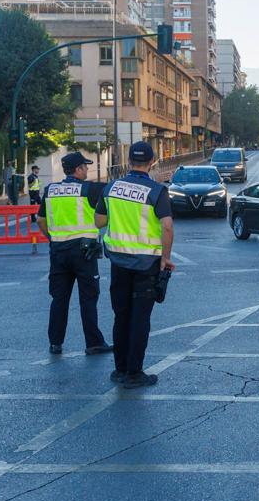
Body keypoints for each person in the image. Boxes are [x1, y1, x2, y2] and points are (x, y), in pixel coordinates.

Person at [95, 141, 175, 389]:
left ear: (129, 162)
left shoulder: (111, 187)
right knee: (140, 319)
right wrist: (165, 258)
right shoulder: (156, 191)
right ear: (152, 162)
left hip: (118, 261)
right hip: (145, 264)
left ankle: (119, 370)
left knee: (121, 315)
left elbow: (99, 221)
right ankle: (134, 373)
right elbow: (167, 226)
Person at [36, 152, 112, 357]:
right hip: (84, 252)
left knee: (59, 298)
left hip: (58, 251)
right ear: (78, 169)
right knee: (88, 299)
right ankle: (94, 343)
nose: (87, 170)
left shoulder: (50, 190)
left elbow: (41, 220)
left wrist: (51, 237)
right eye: (85, 167)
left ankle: (55, 343)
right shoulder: (89, 189)